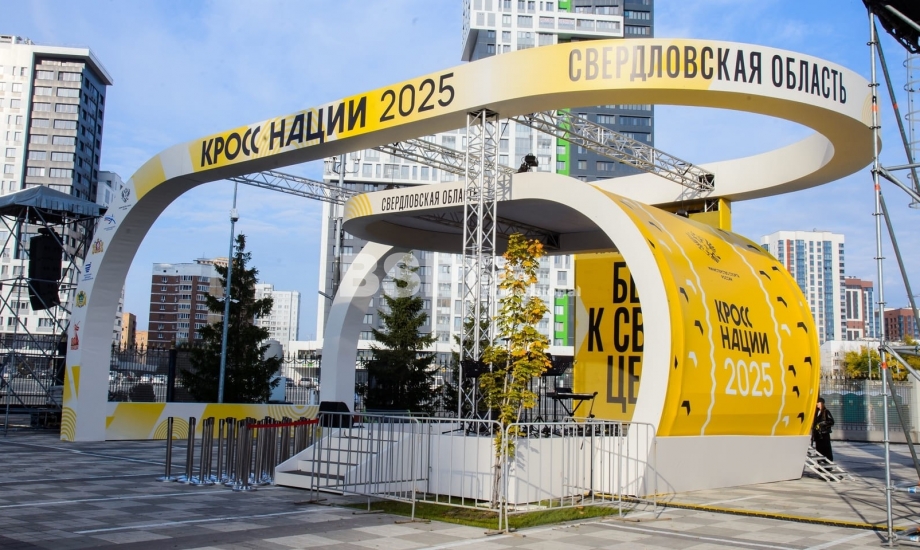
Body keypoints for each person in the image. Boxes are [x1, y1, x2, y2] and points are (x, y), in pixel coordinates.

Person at [812, 397, 835, 462]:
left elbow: (831, 421)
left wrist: (822, 424)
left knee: (826, 449)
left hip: (824, 434)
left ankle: (828, 462)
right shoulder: (816, 412)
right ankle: (820, 463)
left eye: (818, 402)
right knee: (819, 449)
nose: (817, 404)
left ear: (822, 403)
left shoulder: (826, 412)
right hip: (818, 434)